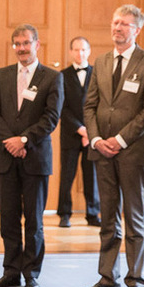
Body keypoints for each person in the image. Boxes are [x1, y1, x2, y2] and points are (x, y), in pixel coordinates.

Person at [81, 5, 144, 287]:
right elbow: (90, 106)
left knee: (134, 218)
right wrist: (98, 138)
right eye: (115, 22)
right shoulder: (100, 61)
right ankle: (107, 276)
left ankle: (135, 279)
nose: (118, 28)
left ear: (136, 30)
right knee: (108, 216)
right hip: (101, 152)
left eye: (125, 24)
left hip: (132, 152)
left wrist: (120, 140)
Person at [0, 24, 64, 287]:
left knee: (33, 220)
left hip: (36, 157)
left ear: (37, 44)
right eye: (16, 44)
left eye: (26, 43)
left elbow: (51, 117)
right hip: (6, 157)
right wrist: (11, 142)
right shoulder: (1, 75)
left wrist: (25, 140)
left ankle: (31, 273)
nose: (21, 48)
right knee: (8, 218)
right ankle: (11, 271)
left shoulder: (52, 78)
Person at [56, 36, 100, 228]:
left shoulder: (97, 74)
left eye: (83, 50)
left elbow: (100, 105)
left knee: (92, 176)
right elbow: (61, 108)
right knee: (67, 174)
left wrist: (90, 132)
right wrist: (80, 129)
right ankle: (64, 214)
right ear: (71, 52)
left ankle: (92, 214)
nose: (80, 53)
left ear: (89, 51)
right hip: (70, 133)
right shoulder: (62, 76)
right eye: (76, 49)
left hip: (93, 134)